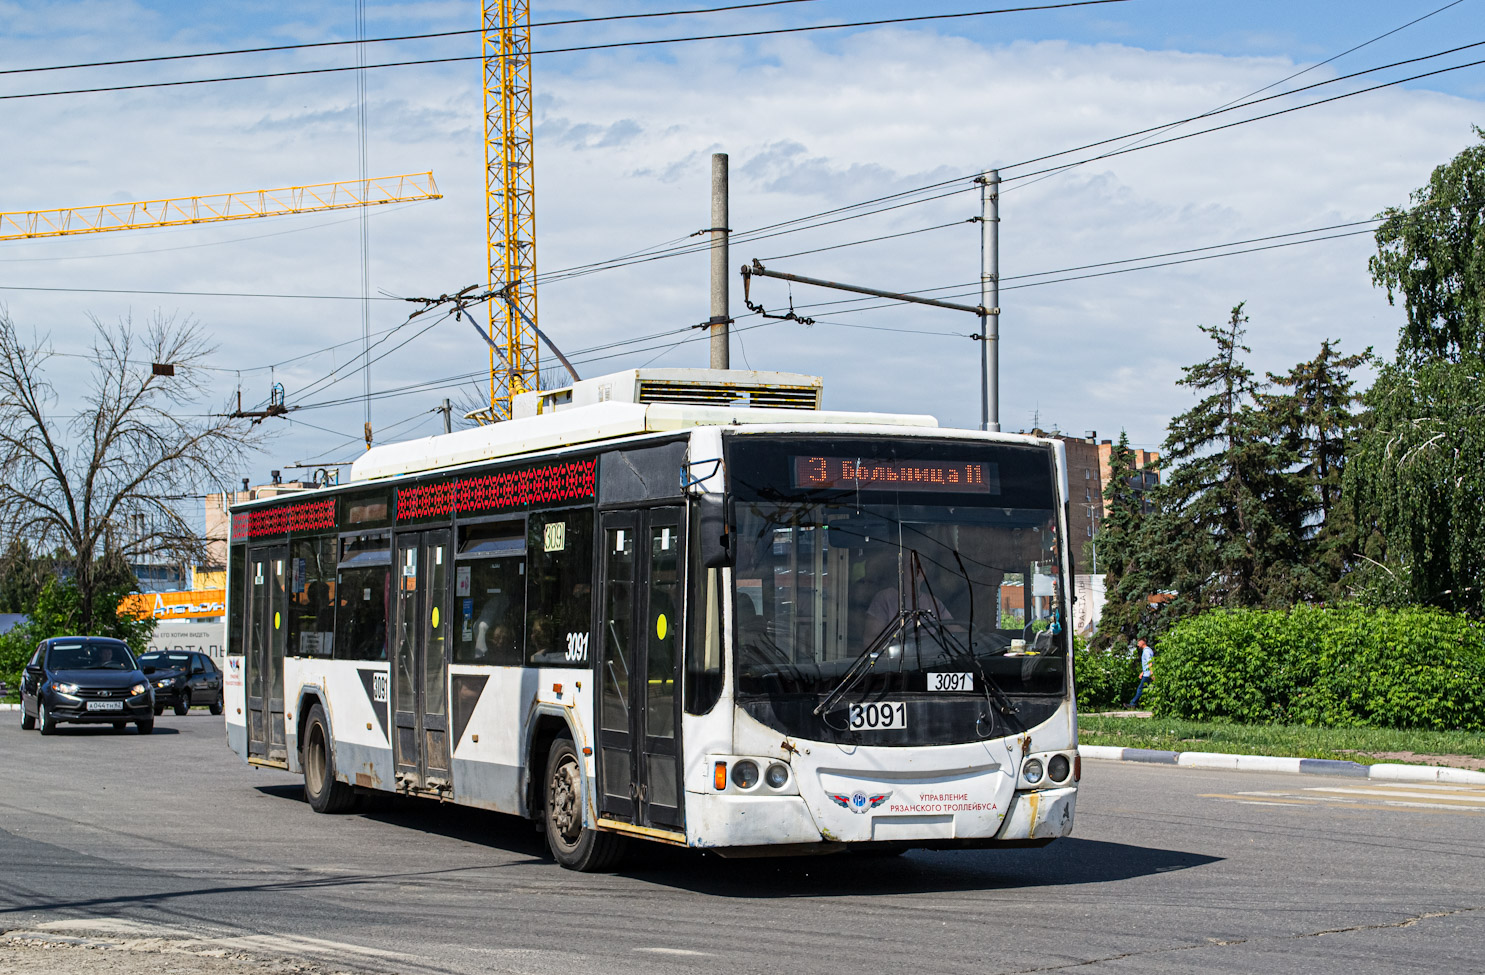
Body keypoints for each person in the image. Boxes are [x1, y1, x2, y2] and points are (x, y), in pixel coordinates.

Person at [1127, 638, 1154, 707]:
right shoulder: (1147, 650)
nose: (1137, 644)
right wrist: (1142, 672)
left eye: (1139, 642)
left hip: (1148, 674)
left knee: (1140, 689)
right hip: (1147, 673)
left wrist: (1151, 673)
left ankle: (1133, 704)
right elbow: (1147, 663)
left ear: (1143, 642)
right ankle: (1155, 705)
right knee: (1151, 688)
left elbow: (1150, 662)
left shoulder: (1146, 651)